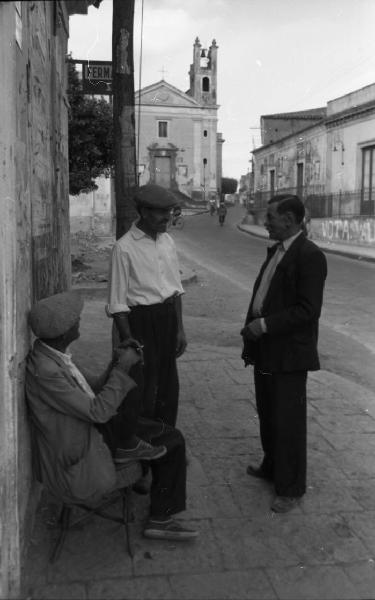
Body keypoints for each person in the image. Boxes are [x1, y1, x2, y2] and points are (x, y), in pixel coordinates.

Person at [26, 291, 198, 541]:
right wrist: (123, 368)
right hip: (85, 443)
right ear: (63, 332)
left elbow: (93, 387)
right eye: (76, 320)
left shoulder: (53, 355)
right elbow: (98, 411)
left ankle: (130, 447)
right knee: (172, 440)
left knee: (165, 431)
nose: (79, 322)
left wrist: (116, 364)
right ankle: (161, 517)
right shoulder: (48, 370)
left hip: (93, 428)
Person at [240, 194, 327, 513]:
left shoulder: (310, 255)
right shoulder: (277, 250)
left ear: (289, 220)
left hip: (289, 354)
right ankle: (272, 467)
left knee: (288, 420)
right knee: (268, 411)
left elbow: (308, 310)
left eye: (271, 217)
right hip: (266, 349)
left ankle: (291, 488)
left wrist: (263, 325)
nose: (265, 222)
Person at [107, 184, 187, 428]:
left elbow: (175, 289)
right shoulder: (124, 247)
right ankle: (141, 444)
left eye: (171, 212)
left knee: (168, 383)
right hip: (140, 321)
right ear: (142, 211)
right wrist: (129, 340)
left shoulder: (167, 242)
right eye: (161, 212)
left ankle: (165, 437)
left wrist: (180, 329)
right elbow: (118, 302)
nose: (167, 218)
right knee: (142, 386)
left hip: (167, 318)